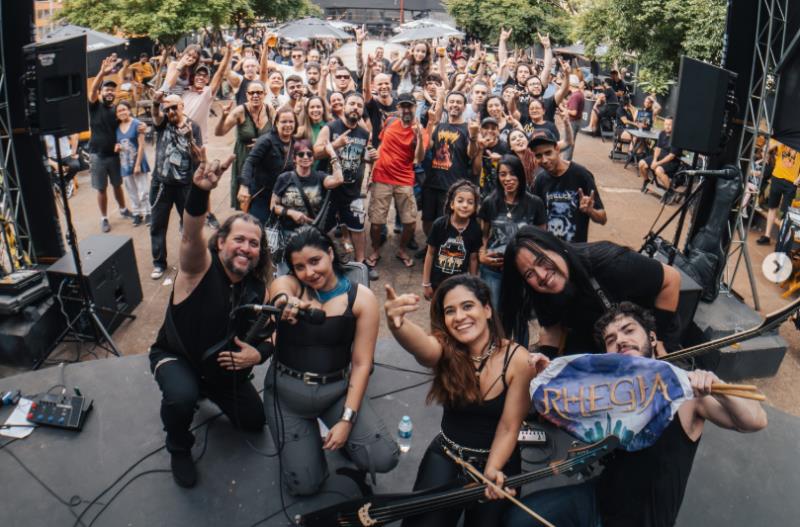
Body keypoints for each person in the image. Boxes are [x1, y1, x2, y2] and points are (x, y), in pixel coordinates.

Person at [508, 301, 768, 527]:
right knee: (516, 519)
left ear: (652, 338)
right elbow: (568, 402)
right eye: (611, 340)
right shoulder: (612, 391)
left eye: (628, 330)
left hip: (643, 521)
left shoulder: (685, 393)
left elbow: (755, 420)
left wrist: (717, 385)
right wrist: (551, 375)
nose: (620, 340)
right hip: (598, 499)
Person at [384, 275, 548, 527]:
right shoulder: (445, 348)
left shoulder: (517, 359)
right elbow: (423, 348)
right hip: (448, 454)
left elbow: (509, 426)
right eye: (450, 311)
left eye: (467, 306)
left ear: (487, 309)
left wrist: (492, 469)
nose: (459, 316)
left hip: (498, 459)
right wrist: (397, 324)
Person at [149, 155, 271, 488]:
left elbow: (268, 336)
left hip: (219, 370)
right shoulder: (198, 269)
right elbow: (190, 237)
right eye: (239, 240)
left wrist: (256, 354)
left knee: (254, 421)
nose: (246, 248)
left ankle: (206, 389)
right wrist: (200, 192)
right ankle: (178, 447)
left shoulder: (257, 287)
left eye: (254, 243)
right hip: (177, 358)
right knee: (182, 397)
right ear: (220, 242)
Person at [264, 227, 399, 496]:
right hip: (287, 397)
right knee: (305, 486)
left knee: (384, 457)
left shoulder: (361, 298)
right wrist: (284, 300)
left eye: (315, 261)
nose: (309, 272)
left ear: (329, 253)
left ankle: (337, 434)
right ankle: (306, 445)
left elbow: (361, 364)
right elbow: (280, 289)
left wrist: (347, 420)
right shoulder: (292, 285)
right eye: (299, 266)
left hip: (335, 392)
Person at [499, 226, 681, 354]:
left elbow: (671, 279)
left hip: (644, 333)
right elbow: (552, 328)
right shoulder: (540, 291)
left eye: (541, 261)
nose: (541, 275)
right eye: (529, 273)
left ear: (556, 248)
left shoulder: (611, 263)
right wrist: (548, 367)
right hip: (596, 336)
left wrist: (658, 338)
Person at [365, 92, 425, 274]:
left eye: (410, 106)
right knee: (376, 222)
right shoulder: (390, 122)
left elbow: (419, 158)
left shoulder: (420, 129)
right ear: (398, 108)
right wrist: (372, 170)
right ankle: (375, 250)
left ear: (415, 108)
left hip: (404, 179)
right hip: (381, 176)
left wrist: (419, 138)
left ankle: (401, 250)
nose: (406, 110)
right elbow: (382, 145)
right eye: (403, 106)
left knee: (410, 222)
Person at [314, 93, 376, 266]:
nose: (355, 107)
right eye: (352, 104)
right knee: (325, 227)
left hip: (352, 189)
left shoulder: (364, 133)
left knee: (358, 225)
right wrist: (335, 145)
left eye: (359, 105)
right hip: (330, 188)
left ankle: (361, 262)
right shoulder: (330, 128)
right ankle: (324, 260)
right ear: (345, 106)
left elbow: (363, 157)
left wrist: (371, 156)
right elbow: (316, 152)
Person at [479, 155, 546, 311]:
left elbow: (542, 237)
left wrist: (534, 264)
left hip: (522, 270)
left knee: (519, 316)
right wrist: (482, 255)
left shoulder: (535, 203)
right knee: (494, 313)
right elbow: (483, 234)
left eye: (512, 173)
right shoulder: (490, 202)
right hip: (493, 269)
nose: (507, 179)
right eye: (503, 174)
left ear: (520, 175)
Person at [148, 94, 203, 280]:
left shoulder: (193, 126)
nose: (170, 111)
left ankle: (192, 261)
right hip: (161, 183)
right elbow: (155, 114)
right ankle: (158, 263)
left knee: (189, 225)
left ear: (182, 105)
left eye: (174, 107)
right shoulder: (163, 122)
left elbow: (199, 158)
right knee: (157, 224)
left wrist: (190, 139)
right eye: (167, 108)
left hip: (184, 185)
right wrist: (156, 102)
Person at [529, 129, 606, 243]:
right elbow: (535, 218)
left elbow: (603, 218)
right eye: (539, 156)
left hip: (577, 252)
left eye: (548, 153)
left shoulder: (581, 175)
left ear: (557, 149)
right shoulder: (540, 181)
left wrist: (590, 211)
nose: (544, 160)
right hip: (549, 249)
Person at [88, 56, 133, 233]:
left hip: (114, 155)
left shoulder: (116, 110)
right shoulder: (94, 106)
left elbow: (127, 125)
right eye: (106, 89)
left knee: (117, 184)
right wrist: (102, 72)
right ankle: (104, 218)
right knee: (101, 189)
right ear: (100, 93)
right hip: (97, 155)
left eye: (112, 90)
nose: (109, 92)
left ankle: (123, 209)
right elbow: (92, 90)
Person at [422, 91, 477, 235]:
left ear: (465, 107)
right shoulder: (440, 126)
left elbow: (471, 154)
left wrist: (473, 137)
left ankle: (442, 249)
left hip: (453, 184)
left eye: (459, 102)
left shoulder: (467, 129)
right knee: (427, 219)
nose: (455, 105)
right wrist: (430, 122)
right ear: (446, 105)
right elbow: (427, 146)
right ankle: (429, 246)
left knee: (445, 220)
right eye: (451, 101)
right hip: (432, 182)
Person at [270, 140, 343, 243]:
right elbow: (273, 206)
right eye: (301, 154)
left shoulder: (320, 177)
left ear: (313, 158)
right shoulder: (284, 178)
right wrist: (291, 213)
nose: (305, 157)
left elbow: (339, 179)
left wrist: (332, 153)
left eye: (309, 154)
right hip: (287, 233)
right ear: (294, 158)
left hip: (312, 233)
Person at [216, 80, 274, 210]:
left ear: (264, 94)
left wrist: (264, 141)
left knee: (263, 197)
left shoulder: (270, 109)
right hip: (244, 159)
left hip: (264, 158)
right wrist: (223, 117)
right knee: (245, 199)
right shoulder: (239, 111)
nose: (255, 95)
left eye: (259, 92)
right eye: (251, 93)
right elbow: (220, 132)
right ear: (247, 95)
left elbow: (277, 133)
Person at [422, 180, 482, 300]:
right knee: (438, 314)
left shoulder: (475, 229)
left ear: (475, 207)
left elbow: (473, 259)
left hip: (460, 284)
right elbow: (430, 253)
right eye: (460, 201)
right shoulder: (439, 225)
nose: (465, 205)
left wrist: (473, 284)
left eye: (470, 202)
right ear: (452, 204)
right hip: (437, 283)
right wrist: (426, 283)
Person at [239, 106, 297, 223]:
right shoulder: (266, 140)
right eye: (284, 121)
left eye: (291, 121)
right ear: (276, 123)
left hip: (283, 196)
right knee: (258, 227)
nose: (288, 125)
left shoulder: (295, 143)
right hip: (262, 195)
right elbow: (250, 162)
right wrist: (244, 186)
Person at [756, 139, 800, 245]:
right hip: (777, 177)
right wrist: (767, 154)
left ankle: (781, 240)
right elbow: (766, 149)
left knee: (786, 213)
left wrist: (798, 178)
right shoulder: (783, 142)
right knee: (772, 207)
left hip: (791, 183)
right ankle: (767, 236)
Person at [115, 101, 150, 226]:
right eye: (119, 111)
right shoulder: (117, 127)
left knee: (143, 190)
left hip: (138, 162)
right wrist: (117, 146)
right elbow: (118, 142)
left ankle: (148, 212)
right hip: (125, 163)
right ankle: (137, 213)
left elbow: (141, 145)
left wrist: (137, 164)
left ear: (129, 110)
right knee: (131, 191)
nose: (122, 112)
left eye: (124, 109)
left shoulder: (137, 124)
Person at [639, 117, 683, 192]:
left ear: (674, 126)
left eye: (669, 124)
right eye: (665, 124)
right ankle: (646, 181)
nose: (667, 126)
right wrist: (654, 160)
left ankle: (670, 191)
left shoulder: (677, 137)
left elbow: (671, 156)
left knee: (658, 170)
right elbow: (658, 148)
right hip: (659, 158)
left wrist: (657, 164)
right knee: (641, 163)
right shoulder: (662, 133)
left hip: (672, 162)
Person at [472, 117, 509, 199]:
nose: (489, 131)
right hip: (480, 192)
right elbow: (475, 171)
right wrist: (481, 150)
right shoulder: (475, 146)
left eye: (493, 128)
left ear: (498, 131)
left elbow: (511, 169)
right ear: (480, 130)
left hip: (501, 192)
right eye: (486, 128)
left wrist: (501, 159)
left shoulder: (505, 146)